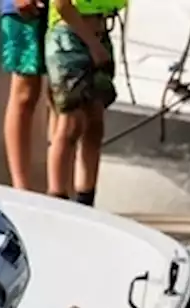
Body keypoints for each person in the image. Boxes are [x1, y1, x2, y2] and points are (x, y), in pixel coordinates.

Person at [44, 0, 121, 206]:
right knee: (71, 123)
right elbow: (62, 4)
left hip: (100, 34)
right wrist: (92, 45)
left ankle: (85, 201)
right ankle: (56, 197)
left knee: (95, 123)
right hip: (68, 39)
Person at [0, 0, 51, 190]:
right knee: (24, 93)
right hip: (29, 9)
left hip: (74, 10)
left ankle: (58, 189)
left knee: (65, 95)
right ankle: (21, 188)